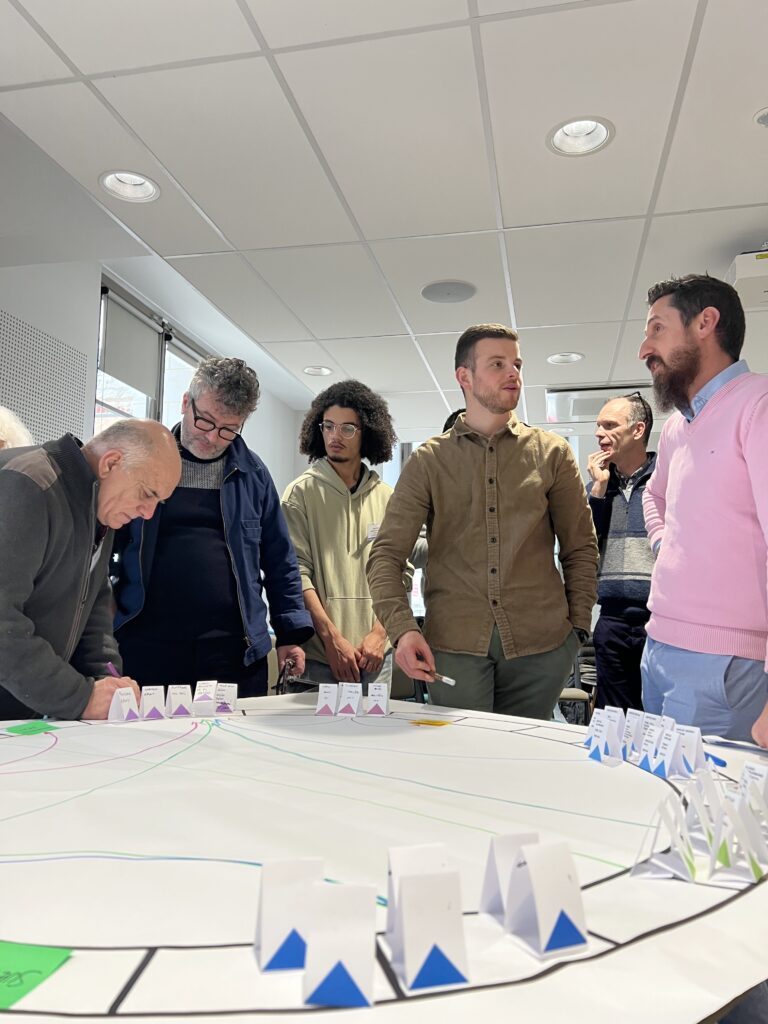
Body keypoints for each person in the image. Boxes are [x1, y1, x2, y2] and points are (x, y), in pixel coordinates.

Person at [367, 323, 598, 718]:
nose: (513, 374)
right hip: (455, 648)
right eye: (497, 364)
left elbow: (580, 549)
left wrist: (576, 632)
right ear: (465, 377)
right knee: (464, 765)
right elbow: (386, 555)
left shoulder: (552, 455)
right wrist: (402, 629)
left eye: (517, 364)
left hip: (542, 648)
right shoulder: (429, 461)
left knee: (526, 763)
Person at [112, 357, 313, 696]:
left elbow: (280, 561)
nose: (211, 438)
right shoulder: (143, 463)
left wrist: (290, 634)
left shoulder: (254, 475)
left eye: (228, 429)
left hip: (233, 652)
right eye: (204, 421)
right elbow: (107, 545)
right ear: (186, 402)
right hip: (147, 646)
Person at [639, 274, 768, 746]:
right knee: (663, 801)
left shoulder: (758, 405)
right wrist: (666, 542)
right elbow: (654, 496)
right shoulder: (676, 427)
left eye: (657, 329)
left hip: (728, 664)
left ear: (705, 324)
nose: (644, 348)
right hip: (660, 647)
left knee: (707, 815)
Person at [0, 419, 180, 720]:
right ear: (111, 463)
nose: (148, 514)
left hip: (28, 715)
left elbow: (94, 603)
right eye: (148, 494)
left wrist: (104, 677)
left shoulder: (99, 506)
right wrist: (78, 697)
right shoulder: (29, 485)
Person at [281, 381, 403, 692]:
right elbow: (297, 574)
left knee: (372, 742)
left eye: (348, 428)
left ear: (368, 434)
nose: (335, 436)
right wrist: (331, 638)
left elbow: (399, 573)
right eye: (329, 426)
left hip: (375, 657)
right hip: (320, 659)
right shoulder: (300, 494)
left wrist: (380, 634)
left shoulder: (389, 498)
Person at [586, 392, 656, 711]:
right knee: (615, 719)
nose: (599, 433)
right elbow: (586, 547)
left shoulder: (666, 480)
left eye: (610, 425)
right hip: (611, 619)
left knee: (658, 716)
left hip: (659, 620)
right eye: (598, 425)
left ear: (638, 430)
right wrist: (598, 491)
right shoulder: (597, 487)